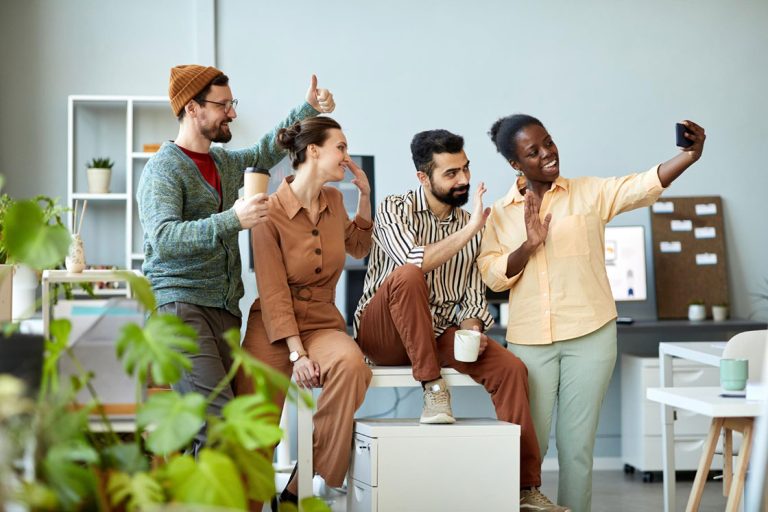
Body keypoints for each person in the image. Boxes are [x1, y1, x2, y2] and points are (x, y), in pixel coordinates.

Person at [477, 115, 706, 512]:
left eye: (549, 142)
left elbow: (640, 186)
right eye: (533, 152)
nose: (548, 153)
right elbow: (493, 276)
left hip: (591, 336)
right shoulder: (499, 214)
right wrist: (528, 246)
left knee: (577, 447)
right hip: (530, 342)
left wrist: (688, 156)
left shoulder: (588, 193)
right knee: (529, 445)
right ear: (516, 164)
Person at [354, 129, 567, 511]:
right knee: (408, 275)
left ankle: (525, 488)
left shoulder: (470, 223)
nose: (464, 179)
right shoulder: (393, 208)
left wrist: (472, 329)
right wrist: (470, 230)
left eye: (465, 169)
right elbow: (414, 261)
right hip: (382, 334)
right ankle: (432, 386)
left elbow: (471, 297)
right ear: (423, 177)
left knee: (510, 369)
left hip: (434, 331)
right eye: (451, 173)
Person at [137, 64, 335, 451]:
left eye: (232, 103)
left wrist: (307, 108)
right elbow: (163, 238)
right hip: (180, 307)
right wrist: (233, 219)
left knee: (206, 435)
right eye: (223, 105)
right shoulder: (163, 169)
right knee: (217, 430)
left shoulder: (223, 164)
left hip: (224, 311)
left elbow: (264, 151)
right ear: (192, 108)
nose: (232, 112)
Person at [235, 116, 373, 507]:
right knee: (254, 427)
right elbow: (273, 289)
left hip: (322, 322)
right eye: (340, 147)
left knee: (351, 365)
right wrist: (296, 354)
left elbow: (358, 247)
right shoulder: (267, 209)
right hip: (272, 326)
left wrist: (364, 196)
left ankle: (300, 485)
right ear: (313, 151)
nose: (346, 156)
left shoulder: (334, 200)